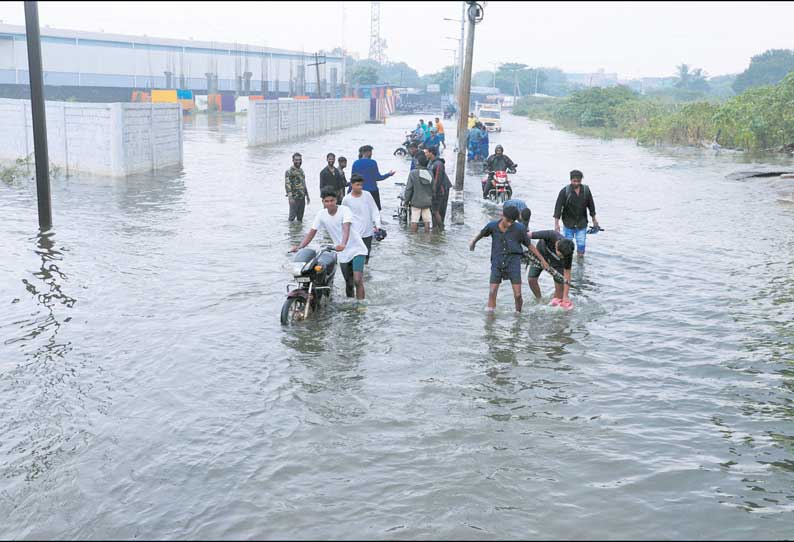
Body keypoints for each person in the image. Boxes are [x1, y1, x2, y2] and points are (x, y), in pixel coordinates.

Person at [291, 188, 369, 300]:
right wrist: (300, 247)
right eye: (326, 201)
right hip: (341, 252)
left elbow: (346, 228)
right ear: (323, 202)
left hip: (357, 249)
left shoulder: (344, 210)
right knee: (349, 282)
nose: (329, 203)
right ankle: (352, 306)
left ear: (336, 200)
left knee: (357, 280)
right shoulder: (321, 215)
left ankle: (361, 307)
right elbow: (312, 233)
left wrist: (343, 244)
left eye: (332, 200)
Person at [469, 205, 549, 313]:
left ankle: (518, 314)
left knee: (518, 295)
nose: (509, 224)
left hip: (514, 262)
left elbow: (529, 245)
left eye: (512, 221)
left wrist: (542, 260)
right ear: (502, 215)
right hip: (497, 261)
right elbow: (482, 234)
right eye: (508, 221)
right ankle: (490, 319)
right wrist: (473, 242)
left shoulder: (519, 228)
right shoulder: (492, 226)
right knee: (492, 292)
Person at [553, 169, 599, 258]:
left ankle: (580, 263)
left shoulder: (586, 190)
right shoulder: (565, 191)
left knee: (581, 244)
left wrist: (594, 220)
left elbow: (591, 206)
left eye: (579, 181)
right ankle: (567, 263)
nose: (576, 183)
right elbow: (558, 208)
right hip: (568, 223)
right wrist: (556, 224)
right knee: (567, 246)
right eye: (574, 181)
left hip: (582, 223)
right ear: (570, 180)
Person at [526, 229, 575, 308]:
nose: (563, 257)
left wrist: (565, 296)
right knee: (531, 279)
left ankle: (553, 309)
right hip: (540, 255)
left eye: (564, 256)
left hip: (557, 264)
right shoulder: (550, 234)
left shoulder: (568, 253)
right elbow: (527, 235)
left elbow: (567, 275)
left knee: (559, 289)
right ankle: (539, 300)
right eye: (561, 255)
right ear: (556, 246)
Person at [342, 173, 381, 268]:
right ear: (352, 184)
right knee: (355, 255)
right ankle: (355, 275)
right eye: (357, 185)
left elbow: (374, 210)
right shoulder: (346, 199)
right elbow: (343, 217)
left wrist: (378, 225)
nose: (360, 187)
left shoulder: (367, 195)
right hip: (354, 233)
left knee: (366, 255)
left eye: (361, 185)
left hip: (368, 232)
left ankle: (365, 274)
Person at [350, 144, 395, 211]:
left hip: (360, 191)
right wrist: (388, 174)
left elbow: (353, 179)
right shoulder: (373, 162)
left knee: (359, 211)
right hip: (372, 191)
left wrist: (350, 191)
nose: (371, 154)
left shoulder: (355, 163)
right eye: (370, 152)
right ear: (367, 153)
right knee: (375, 211)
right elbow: (378, 177)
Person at [403, 152, 434, 233]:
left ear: (418, 162)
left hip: (416, 202)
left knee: (414, 220)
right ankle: (427, 237)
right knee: (427, 221)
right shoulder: (430, 173)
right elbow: (433, 188)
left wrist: (406, 201)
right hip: (427, 201)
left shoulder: (413, 173)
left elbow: (409, 189)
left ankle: (414, 239)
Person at [425, 145, 452, 230]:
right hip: (436, 189)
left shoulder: (438, 164)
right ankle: (435, 229)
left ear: (431, 153)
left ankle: (440, 229)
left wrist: (433, 192)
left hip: (441, 190)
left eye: (426, 152)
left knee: (437, 211)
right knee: (434, 211)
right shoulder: (431, 162)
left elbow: (437, 180)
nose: (425, 154)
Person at [285, 152, 310, 222]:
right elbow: (287, 184)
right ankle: (291, 232)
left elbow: (304, 184)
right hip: (294, 198)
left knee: (300, 219)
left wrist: (307, 196)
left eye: (300, 160)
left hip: (302, 197)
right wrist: (290, 197)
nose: (298, 161)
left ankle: (298, 232)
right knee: (291, 219)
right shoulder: (289, 171)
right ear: (293, 160)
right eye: (296, 160)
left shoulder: (301, 171)